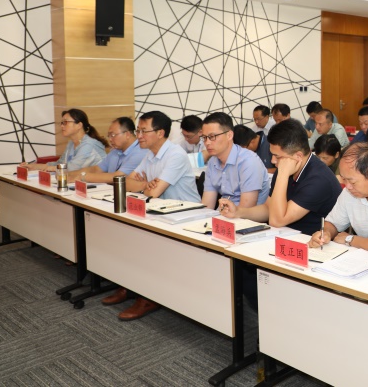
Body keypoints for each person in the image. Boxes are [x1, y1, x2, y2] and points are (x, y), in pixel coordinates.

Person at [115, 111, 200, 321]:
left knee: (143, 240)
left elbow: (154, 193)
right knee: (127, 233)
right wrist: (146, 184)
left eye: (144, 131)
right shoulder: (150, 155)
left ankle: (147, 297)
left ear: (160, 133)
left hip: (186, 216)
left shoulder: (175, 155)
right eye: (138, 131)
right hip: (161, 213)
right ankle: (132, 287)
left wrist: (144, 187)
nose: (139, 136)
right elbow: (127, 183)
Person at [220, 119, 342, 235]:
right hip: (285, 236)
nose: (273, 161)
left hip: (310, 242)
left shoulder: (318, 179)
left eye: (277, 156)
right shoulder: (285, 166)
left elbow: (277, 221)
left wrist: (282, 174)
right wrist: (238, 212)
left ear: (298, 156)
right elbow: (268, 208)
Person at [200, 112, 269, 211]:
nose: (207, 143)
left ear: (229, 135)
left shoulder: (248, 161)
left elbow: (245, 211)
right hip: (222, 214)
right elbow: (207, 206)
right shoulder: (213, 162)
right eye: (204, 137)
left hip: (245, 217)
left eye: (212, 137)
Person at [67, 117, 149, 183]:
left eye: (112, 135)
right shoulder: (115, 151)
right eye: (109, 136)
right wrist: (68, 174)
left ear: (127, 134)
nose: (110, 139)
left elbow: (117, 176)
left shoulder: (141, 151)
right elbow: (96, 169)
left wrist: (83, 176)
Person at [23, 109, 107, 172]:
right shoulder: (71, 143)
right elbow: (60, 164)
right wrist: (35, 166)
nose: (62, 126)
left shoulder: (89, 144)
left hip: (101, 185)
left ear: (79, 125)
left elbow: (72, 168)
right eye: (62, 123)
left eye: (65, 122)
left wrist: (49, 168)